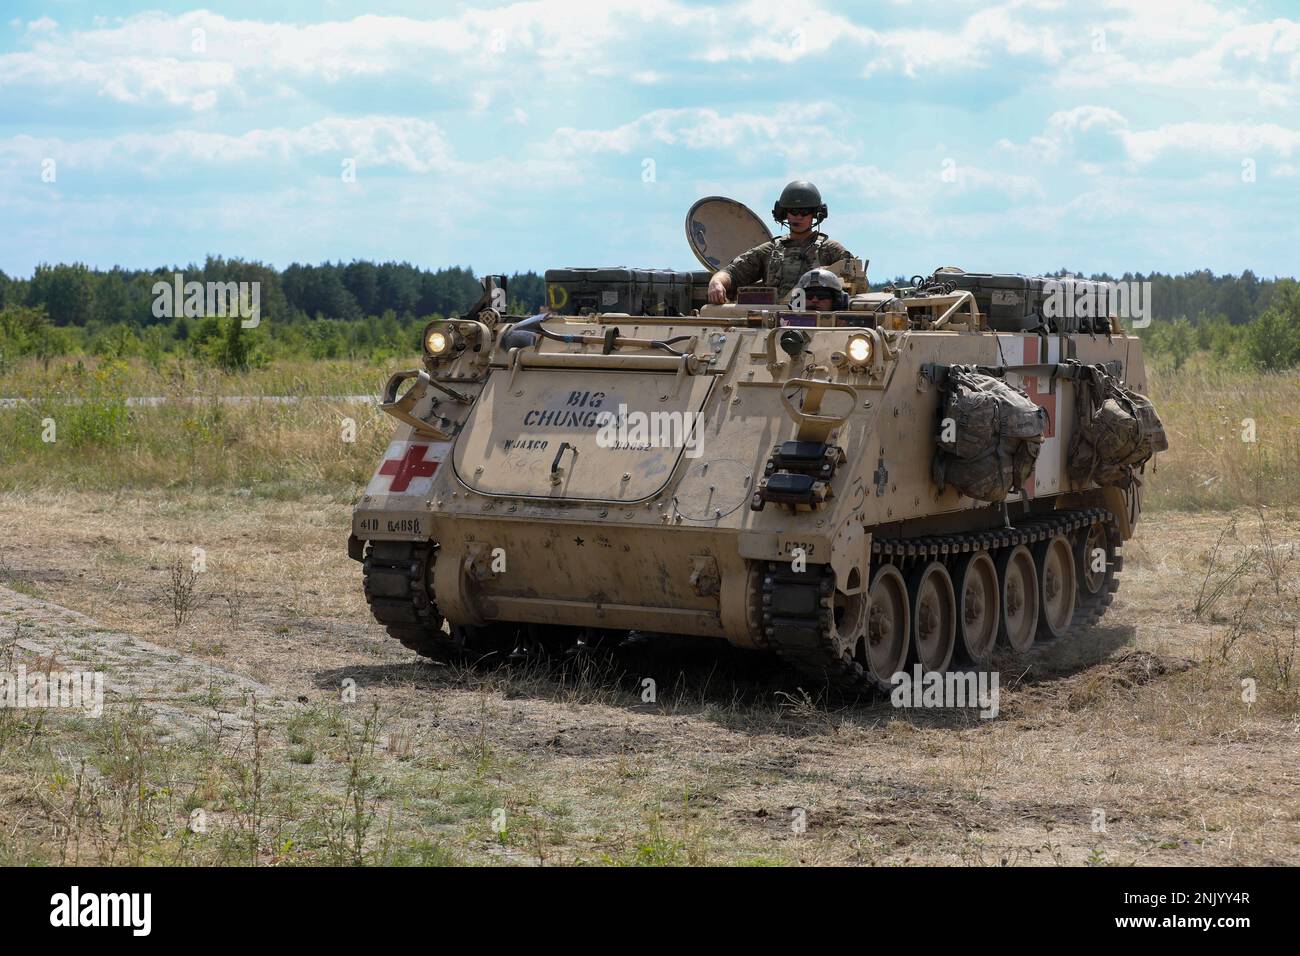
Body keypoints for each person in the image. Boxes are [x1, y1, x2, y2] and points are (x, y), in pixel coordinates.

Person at [707, 181, 853, 304]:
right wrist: (716, 282)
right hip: (774, 320)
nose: (798, 217)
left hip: (817, 320)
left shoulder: (831, 250)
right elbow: (733, 272)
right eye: (793, 211)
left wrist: (829, 274)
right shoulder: (769, 251)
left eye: (804, 211)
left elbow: (858, 282)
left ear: (816, 214)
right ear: (783, 213)